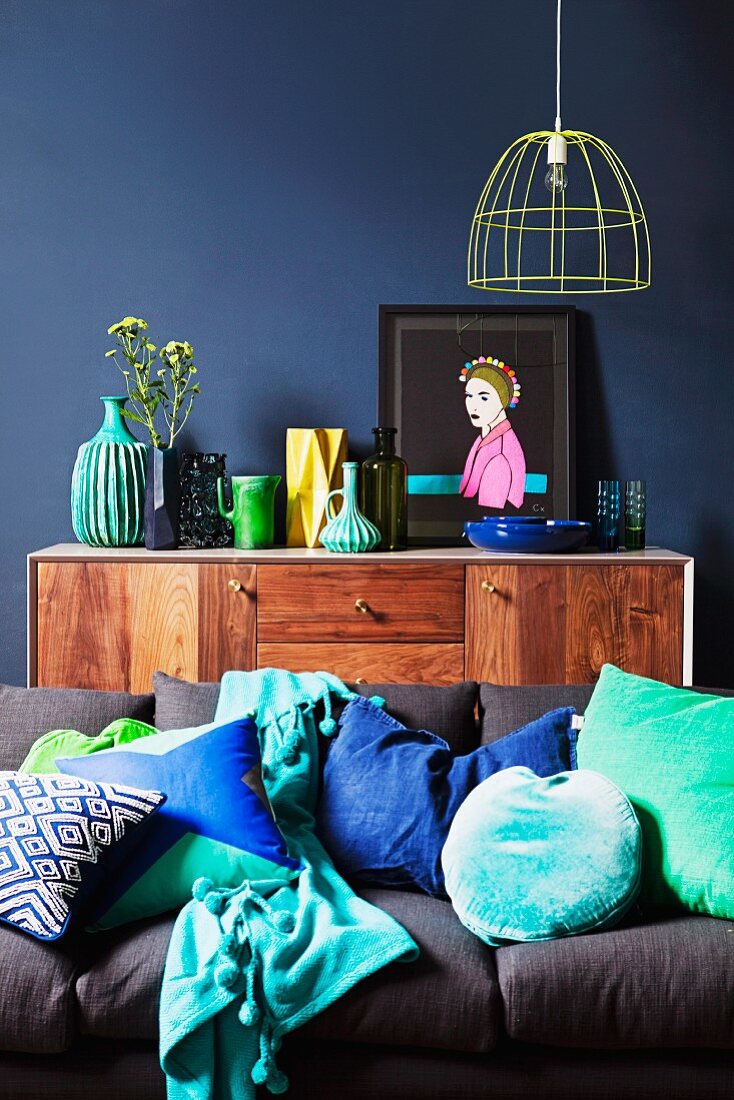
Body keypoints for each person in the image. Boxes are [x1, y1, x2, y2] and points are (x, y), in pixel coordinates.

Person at [458, 357, 526, 510]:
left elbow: (491, 511)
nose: (473, 406)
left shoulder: (500, 454)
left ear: (503, 401)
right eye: (469, 395)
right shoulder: (485, 437)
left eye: (483, 397)